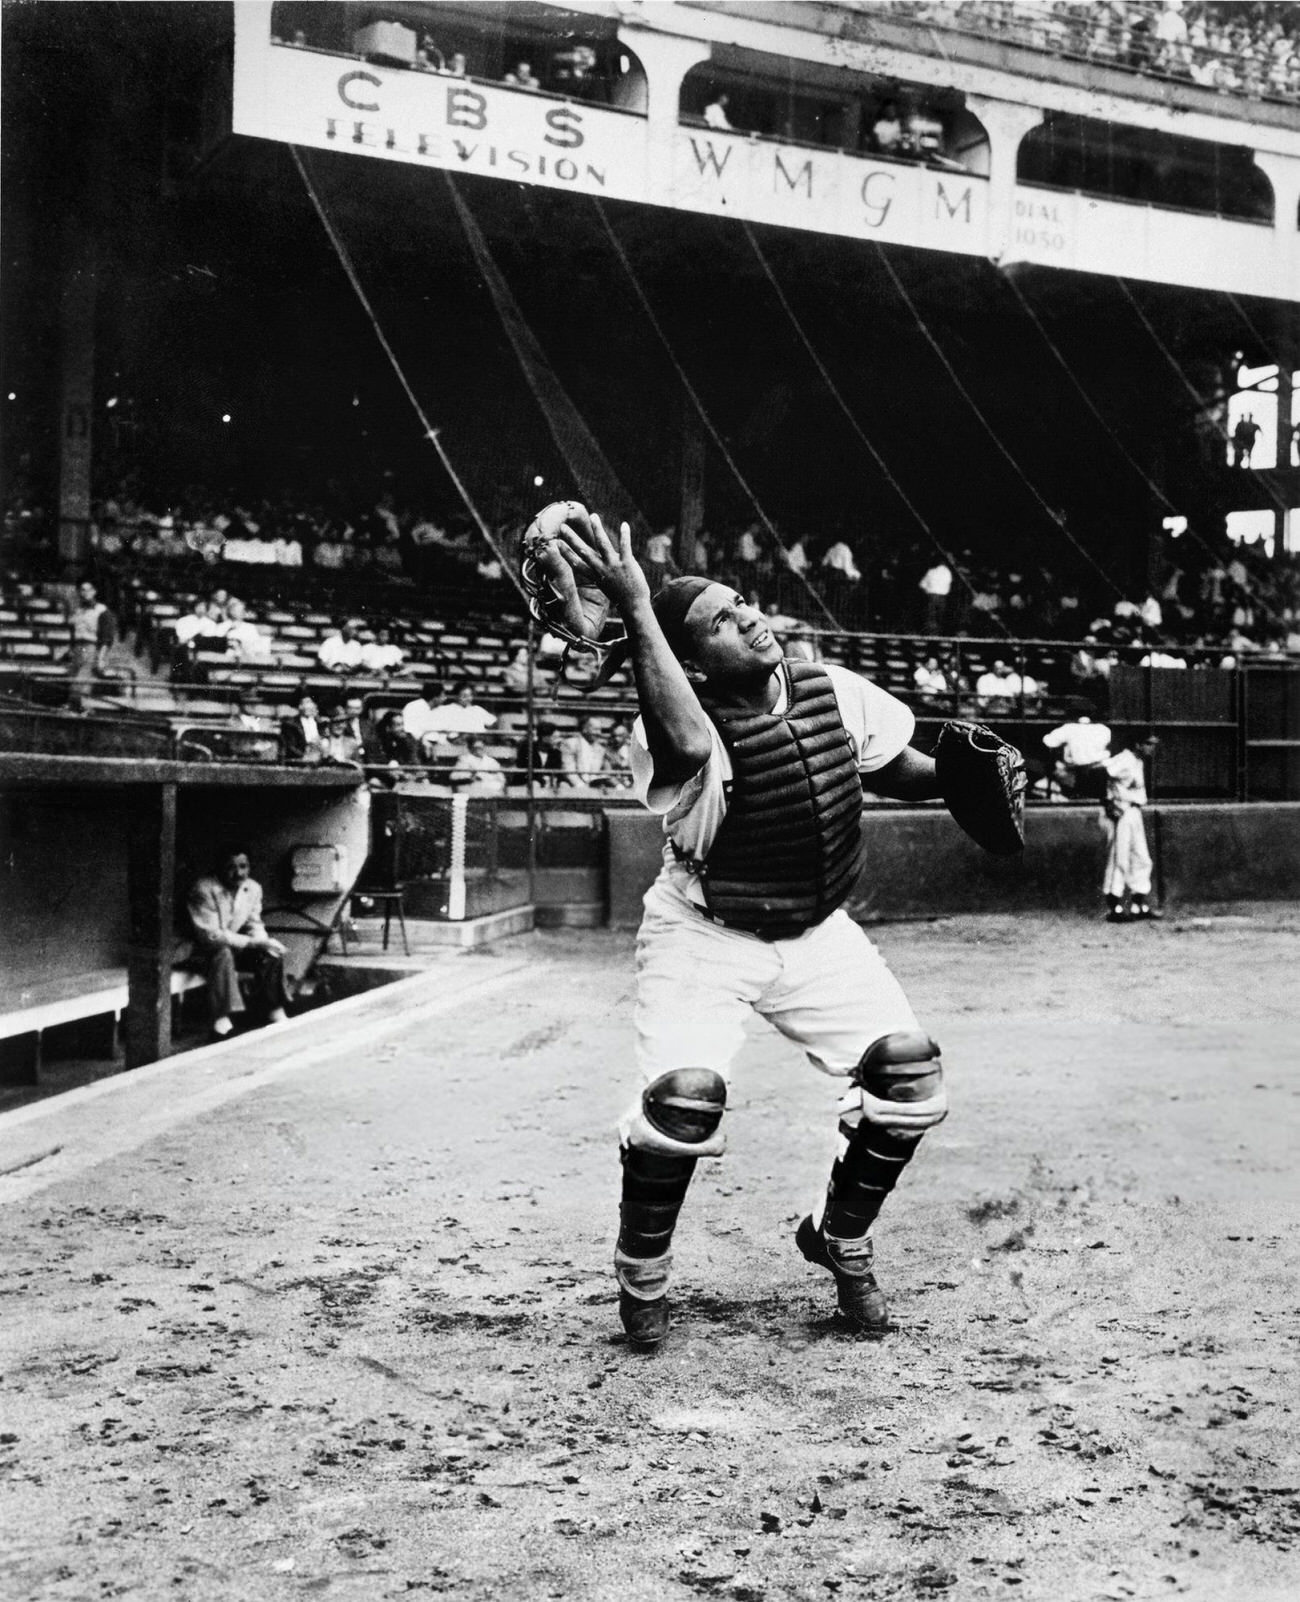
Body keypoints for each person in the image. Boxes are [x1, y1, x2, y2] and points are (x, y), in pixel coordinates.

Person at [546, 515, 957, 1349]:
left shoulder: (831, 689)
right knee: (682, 1104)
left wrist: (969, 773)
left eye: (743, 603)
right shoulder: (666, 729)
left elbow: (906, 768)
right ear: (690, 659)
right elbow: (692, 738)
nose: (749, 618)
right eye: (722, 623)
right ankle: (643, 1273)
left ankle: (837, 1236)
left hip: (818, 934)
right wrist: (634, 605)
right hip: (706, 932)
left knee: (909, 1077)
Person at [186, 849, 289, 1040]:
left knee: (270, 953)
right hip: (197, 952)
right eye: (231, 868)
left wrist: (264, 942)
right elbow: (211, 936)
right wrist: (253, 943)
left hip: (230, 946)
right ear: (219, 869)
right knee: (222, 952)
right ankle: (221, 1021)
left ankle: (273, 1009)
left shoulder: (252, 888)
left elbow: (253, 923)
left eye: (243, 866)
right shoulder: (203, 889)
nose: (239, 873)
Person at [1100, 737, 1161, 922]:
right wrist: (1108, 802)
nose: (1152, 748)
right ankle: (1115, 908)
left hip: (1134, 811)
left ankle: (1138, 905)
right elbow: (1101, 774)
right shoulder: (1124, 758)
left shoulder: (1137, 761)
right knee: (1120, 858)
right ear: (1137, 743)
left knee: (1142, 857)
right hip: (1122, 810)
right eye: (1148, 743)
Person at [1042, 712, 1111, 800]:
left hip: (1082, 772)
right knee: (1099, 800)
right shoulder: (1103, 729)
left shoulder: (1069, 728)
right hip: (1101, 770)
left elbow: (1048, 741)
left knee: (1082, 799)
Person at [65, 580, 116, 686]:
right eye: (83, 590)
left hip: (91, 647)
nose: (85, 593)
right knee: (72, 678)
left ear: (94, 592)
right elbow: (73, 631)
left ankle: (74, 699)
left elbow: (107, 637)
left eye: (89, 590)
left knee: (81, 679)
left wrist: (101, 657)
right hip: (77, 648)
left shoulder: (102, 610)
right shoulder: (77, 611)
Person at [557, 714, 608, 790]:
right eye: (595, 729)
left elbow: (604, 771)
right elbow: (568, 770)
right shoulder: (570, 744)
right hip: (574, 786)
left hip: (595, 788)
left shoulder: (601, 748)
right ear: (585, 729)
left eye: (600, 729)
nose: (599, 733)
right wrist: (581, 787)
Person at [280, 692, 326, 762]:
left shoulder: (320, 723)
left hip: (319, 757)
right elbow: (290, 746)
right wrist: (304, 756)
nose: (308, 706)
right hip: (300, 759)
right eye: (305, 703)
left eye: (310, 703)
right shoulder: (290, 724)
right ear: (299, 706)